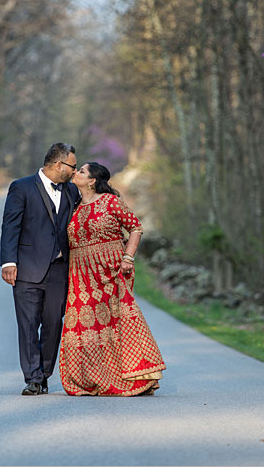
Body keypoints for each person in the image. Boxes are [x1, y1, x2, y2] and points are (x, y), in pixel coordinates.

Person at [59, 162, 166, 396]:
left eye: (82, 171)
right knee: (83, 327)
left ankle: (136, 376)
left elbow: (135, 228)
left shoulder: (111, 202)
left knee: (118, 322)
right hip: (81, 274)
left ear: (92, 181)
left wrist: (128, 257)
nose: (76, 173)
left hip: (110, 270)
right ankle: (91, 379)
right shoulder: (73, 206)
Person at [0, 143, 81, 395]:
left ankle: (44, 373)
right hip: (27, 269)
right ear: (58, 165)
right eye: (72, 166)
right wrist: (8, 262)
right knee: (27, 324)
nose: (75, 171)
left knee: (53, 324)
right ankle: (33, 378)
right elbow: (10, 225)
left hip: (60, 269)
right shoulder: (21, 187)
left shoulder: (71, 192)